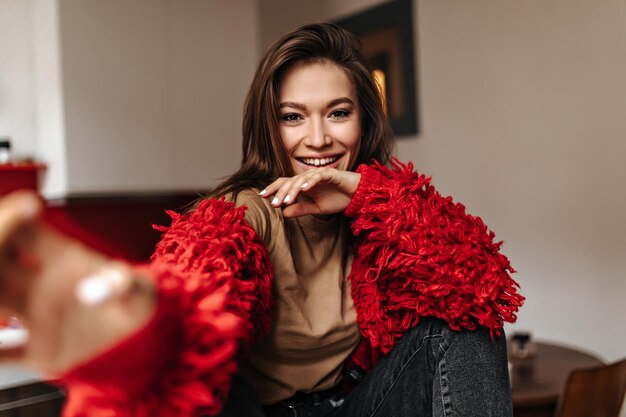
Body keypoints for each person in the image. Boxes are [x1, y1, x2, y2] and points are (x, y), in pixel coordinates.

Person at [0, 23, 523, 417]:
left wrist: (373, 197)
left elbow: (477, 280)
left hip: (358, 404)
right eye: (293, 116)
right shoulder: (243, 213)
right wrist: (145, 329)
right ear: (268, 127)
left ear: (364, 121)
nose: (317, 139)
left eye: (337, 113)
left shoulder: (382, 215)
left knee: (468, 319)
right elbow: (194, 286)